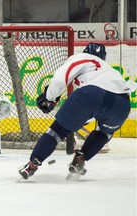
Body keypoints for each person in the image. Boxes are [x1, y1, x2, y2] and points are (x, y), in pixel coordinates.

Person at [19, 42, 136, 180]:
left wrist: (50, 98)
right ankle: (80, 159)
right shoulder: (110, 70)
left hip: (91, 95)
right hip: (121, 104)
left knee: (58, 131)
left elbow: (59, 79)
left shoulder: (83, 58)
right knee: (105, 133)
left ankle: (33, 163)